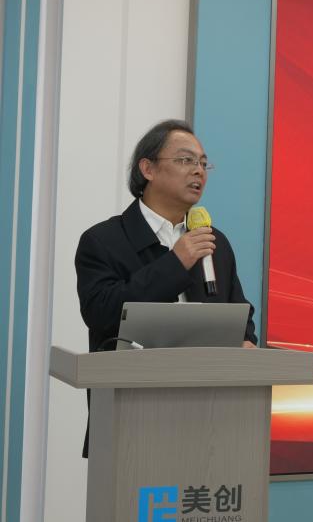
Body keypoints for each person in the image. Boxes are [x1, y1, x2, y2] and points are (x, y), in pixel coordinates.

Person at [75, 119, 258, 456]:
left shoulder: (214, 242)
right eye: (186, 160)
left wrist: (246, 342)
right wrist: (175, 263)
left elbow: (240, 314)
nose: (198, 171)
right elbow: (101, 313)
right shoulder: (102, 241)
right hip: (131, 420)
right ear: (148, 169)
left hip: (212, 420)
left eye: (203, 163)